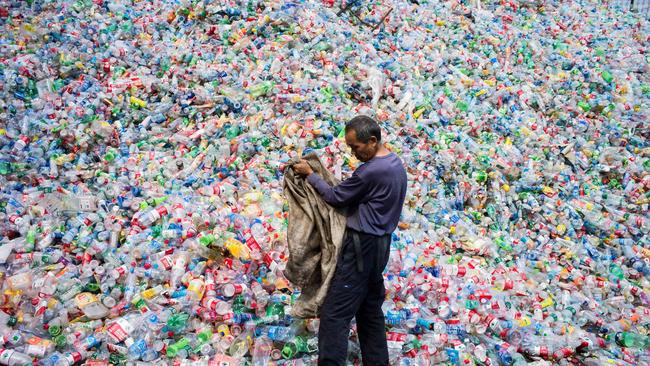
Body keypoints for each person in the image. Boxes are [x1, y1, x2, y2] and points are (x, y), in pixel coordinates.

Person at [292, 115, 408, 366]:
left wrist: (311, 174)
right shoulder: (395, 163)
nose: (353, 152)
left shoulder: (371, 171)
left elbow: (335, 197)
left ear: (373, 141)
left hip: (360, 248)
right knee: (369, 311)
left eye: (355, 147)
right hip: (381, 246)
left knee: (335, 314)